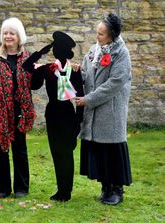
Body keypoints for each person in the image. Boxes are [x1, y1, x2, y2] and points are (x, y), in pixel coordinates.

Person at [74, 13, 132, 205]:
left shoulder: (121, 53)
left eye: (101, 34)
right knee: (100, 150)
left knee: (112, 150)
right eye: (97, 32)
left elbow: (114, 83)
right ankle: (105, 187)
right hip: (95, 112)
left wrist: (88, 99)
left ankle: (117, 189)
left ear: (112, 36)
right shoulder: (94, 50)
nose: (97, 36)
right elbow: (85, 72)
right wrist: (75, 72)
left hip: (111, 111)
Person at [23, 31, 84, 202]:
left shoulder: (74, 70)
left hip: (68, 114)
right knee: (57, 152)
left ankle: (67, 190)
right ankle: (61, 190)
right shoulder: (49, 70)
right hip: (53, 114)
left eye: (55, 49)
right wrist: (40, 53)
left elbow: (80, 96)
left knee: (66, 152)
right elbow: (26, 67)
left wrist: (78, 122)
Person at [0, 17, 36, 198]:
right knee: (1, 151)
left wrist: (39, 72)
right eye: (5, 33)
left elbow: (34, 84)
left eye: (12, 33)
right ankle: (4, 188)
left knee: (20, 150)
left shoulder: (28, 57)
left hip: (20, 110)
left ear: (19, 36)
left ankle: (21, 188)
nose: (8, 36)